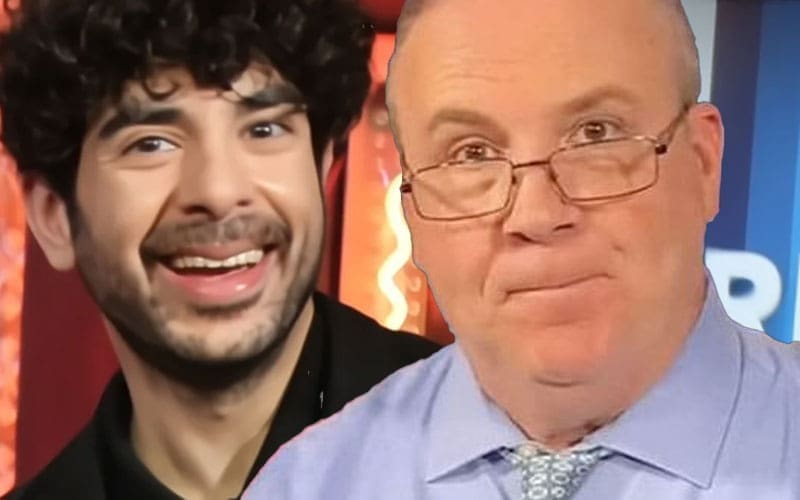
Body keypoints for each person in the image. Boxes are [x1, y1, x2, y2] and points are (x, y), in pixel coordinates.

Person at [244, 0, 800, 499]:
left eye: (596, 133)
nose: (537, 216)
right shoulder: (309, 482)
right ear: (411, 212)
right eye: (471, 154)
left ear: (703, 162)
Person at [0, 0, 439, 498]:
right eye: (150, 143)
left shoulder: (497, 435)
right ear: (54, 217)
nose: (218, 191)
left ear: (321, 168)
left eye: (264, 130)